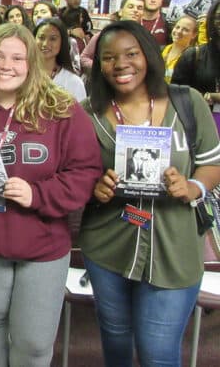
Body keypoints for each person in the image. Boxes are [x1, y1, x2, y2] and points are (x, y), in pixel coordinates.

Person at [0, 23, 101, 367]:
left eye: (17, 57)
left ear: (31, 63)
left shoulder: (63, 110)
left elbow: (85, 173)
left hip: (42, 241)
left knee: (35, 342)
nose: (6, 65)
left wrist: (37, 193)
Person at [79, 20, 220, 367]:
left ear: (149, 55)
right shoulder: (88, 114)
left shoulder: (187, 103)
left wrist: (193, 186)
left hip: (174, 248)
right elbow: (76, 173)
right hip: (108, 244)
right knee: (115, 337)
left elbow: (212, 163)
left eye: (131, 54)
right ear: (99, 65)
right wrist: (94, 187)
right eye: (109, 57)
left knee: (158, 352)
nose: (121, 64)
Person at [172, 0, 220, 133]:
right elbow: (177, 96)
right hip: (201, 129)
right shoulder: (193, 55)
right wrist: (206, 96)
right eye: (218, 18)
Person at [80, 0, 145, 73]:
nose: (135, 10)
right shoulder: (104, 35)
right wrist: (104, 66)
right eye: (131, 7)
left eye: (140, 8)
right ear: (120, 12)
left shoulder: (144, 37)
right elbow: (84, 58)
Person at [34, 18, 86, 101]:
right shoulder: (23, 75)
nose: (45, 44)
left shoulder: (73, 82)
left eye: (53, 39)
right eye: (41, 37)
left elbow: (81, 113)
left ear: (62, 42)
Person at [161, 15, 197, 83]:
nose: (179, 31)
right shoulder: (161, 50)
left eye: (185, 30)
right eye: (177, 27)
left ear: (194, 35)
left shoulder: (193, 57)